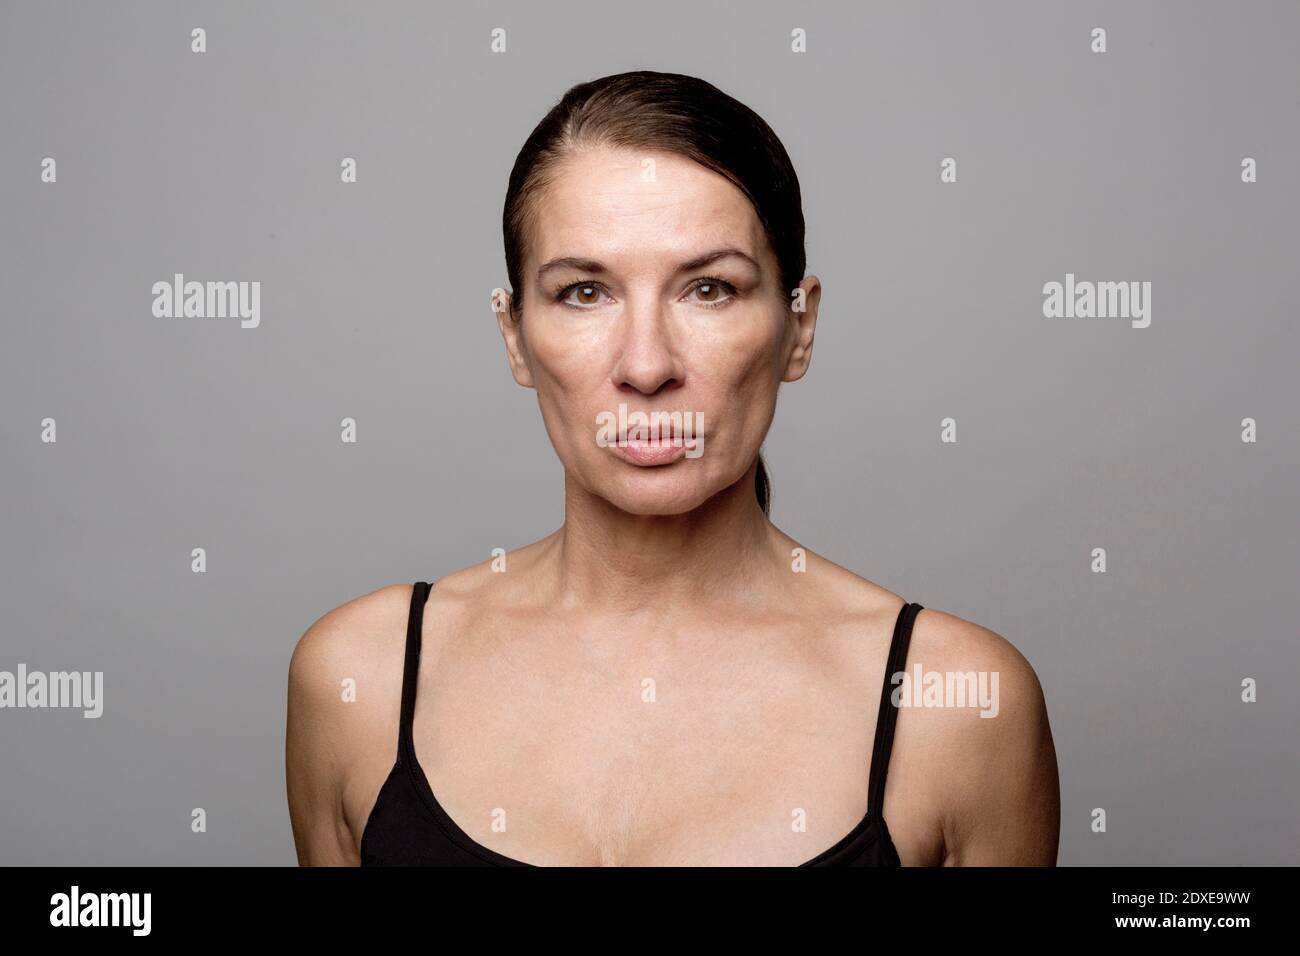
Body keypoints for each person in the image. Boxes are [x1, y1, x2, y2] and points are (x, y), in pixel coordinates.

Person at [286, 70, 1060, 866]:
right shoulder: (359, 681)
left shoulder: (956, 705)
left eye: (709, 289)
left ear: (799, 327)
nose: (647, 366)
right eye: (584, 291)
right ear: (514, 334)